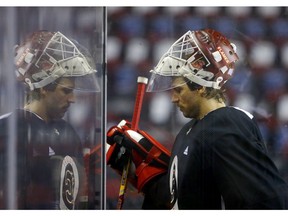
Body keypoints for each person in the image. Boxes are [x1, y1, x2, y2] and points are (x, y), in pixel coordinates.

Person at [106, 29, 288, 209]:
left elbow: (265, 203)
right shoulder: (190, 130)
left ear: (201, 87)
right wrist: (143, 174)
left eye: (178, 90)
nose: (173, 98)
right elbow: (180, 201)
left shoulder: (225, 123)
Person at [0, 30, 99, 209]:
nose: (73, 99)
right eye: (66, 91)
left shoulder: (67, 131)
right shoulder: (8, 128)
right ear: (44, 87)